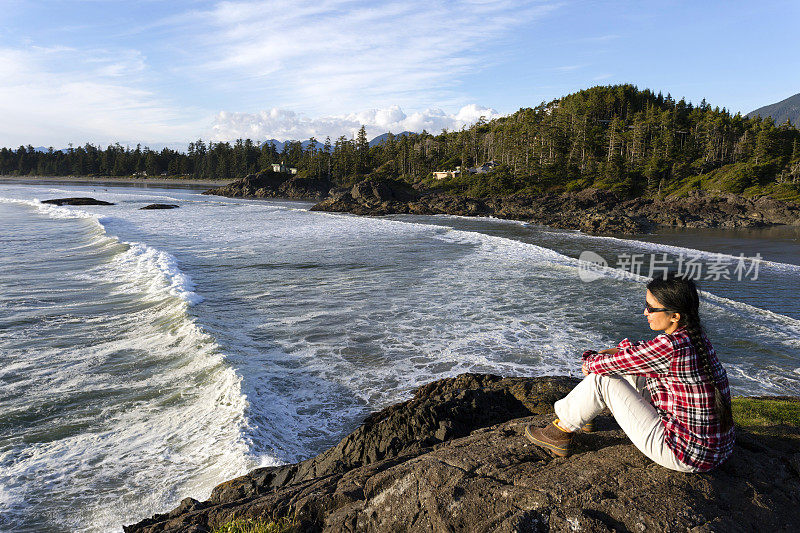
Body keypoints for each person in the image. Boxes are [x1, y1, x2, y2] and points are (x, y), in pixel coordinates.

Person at [525, 272, 735, 472]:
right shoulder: (693, 338)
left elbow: (601, 366)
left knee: (602, 378)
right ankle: (585, 414)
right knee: (628, 369)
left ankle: (560, 431)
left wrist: (591, 359)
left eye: (651, 308)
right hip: (716, 450)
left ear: (675, 316)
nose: (645, 312)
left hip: (683, 453)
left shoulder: (670, 347)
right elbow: (643, 353)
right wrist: (615, 352)